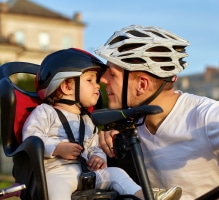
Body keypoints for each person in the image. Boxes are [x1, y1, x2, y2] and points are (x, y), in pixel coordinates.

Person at [94, 25, 219, 199]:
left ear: (142, 84)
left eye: (112, 74)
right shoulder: (133, 124)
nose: (102, 80)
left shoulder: (207, 117)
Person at [22, 48, 182, 200]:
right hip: (56, 172)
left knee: (116, 173)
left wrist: (98, 158)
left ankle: (147, 195)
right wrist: (57, 148)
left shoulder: (87, 120)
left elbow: (94, 147)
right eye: (90, 80)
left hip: (85, 173)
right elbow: (31, 138)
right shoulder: (45, 112)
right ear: (67, 86)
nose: (98, 85)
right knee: (56, 189)